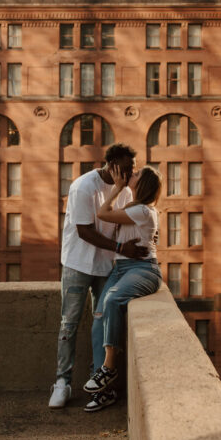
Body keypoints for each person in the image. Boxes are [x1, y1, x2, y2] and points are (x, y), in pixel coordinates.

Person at [48, 143, 148, 409]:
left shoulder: (125, 192)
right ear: (111, 165)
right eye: (125, 169)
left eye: (132, 170)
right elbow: (85, 231)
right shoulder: (83, 187)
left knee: (102, 325)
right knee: (69, 324)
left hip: (106, 268)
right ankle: (62, 382)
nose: (128, 174)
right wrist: (119, 248)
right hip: (77, 265)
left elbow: (125, 225)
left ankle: (98, 383)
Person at [82, 165, 163, 413]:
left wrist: (117, 187)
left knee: (113, 301)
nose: (132, 174)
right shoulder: (135, 209)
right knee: (98, 320)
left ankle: (108, 369)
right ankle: (105, 392)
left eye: (136, 175)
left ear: (144, 184)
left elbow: (102, 212)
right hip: (120, 270)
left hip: (142, 269)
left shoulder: (141, 210)